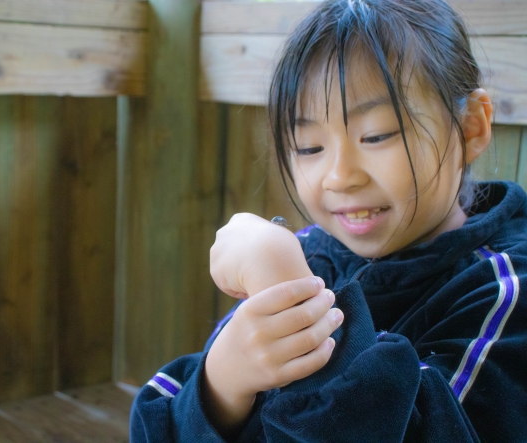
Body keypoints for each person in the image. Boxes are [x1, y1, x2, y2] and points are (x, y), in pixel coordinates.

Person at [130, 0, 527, 441]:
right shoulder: (308, 253)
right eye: (308, 147)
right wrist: (223, 381)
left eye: (376, 135)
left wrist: (285, 284)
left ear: (471, 127)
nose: (340, 176)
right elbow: (161, 422)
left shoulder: (503, 289)